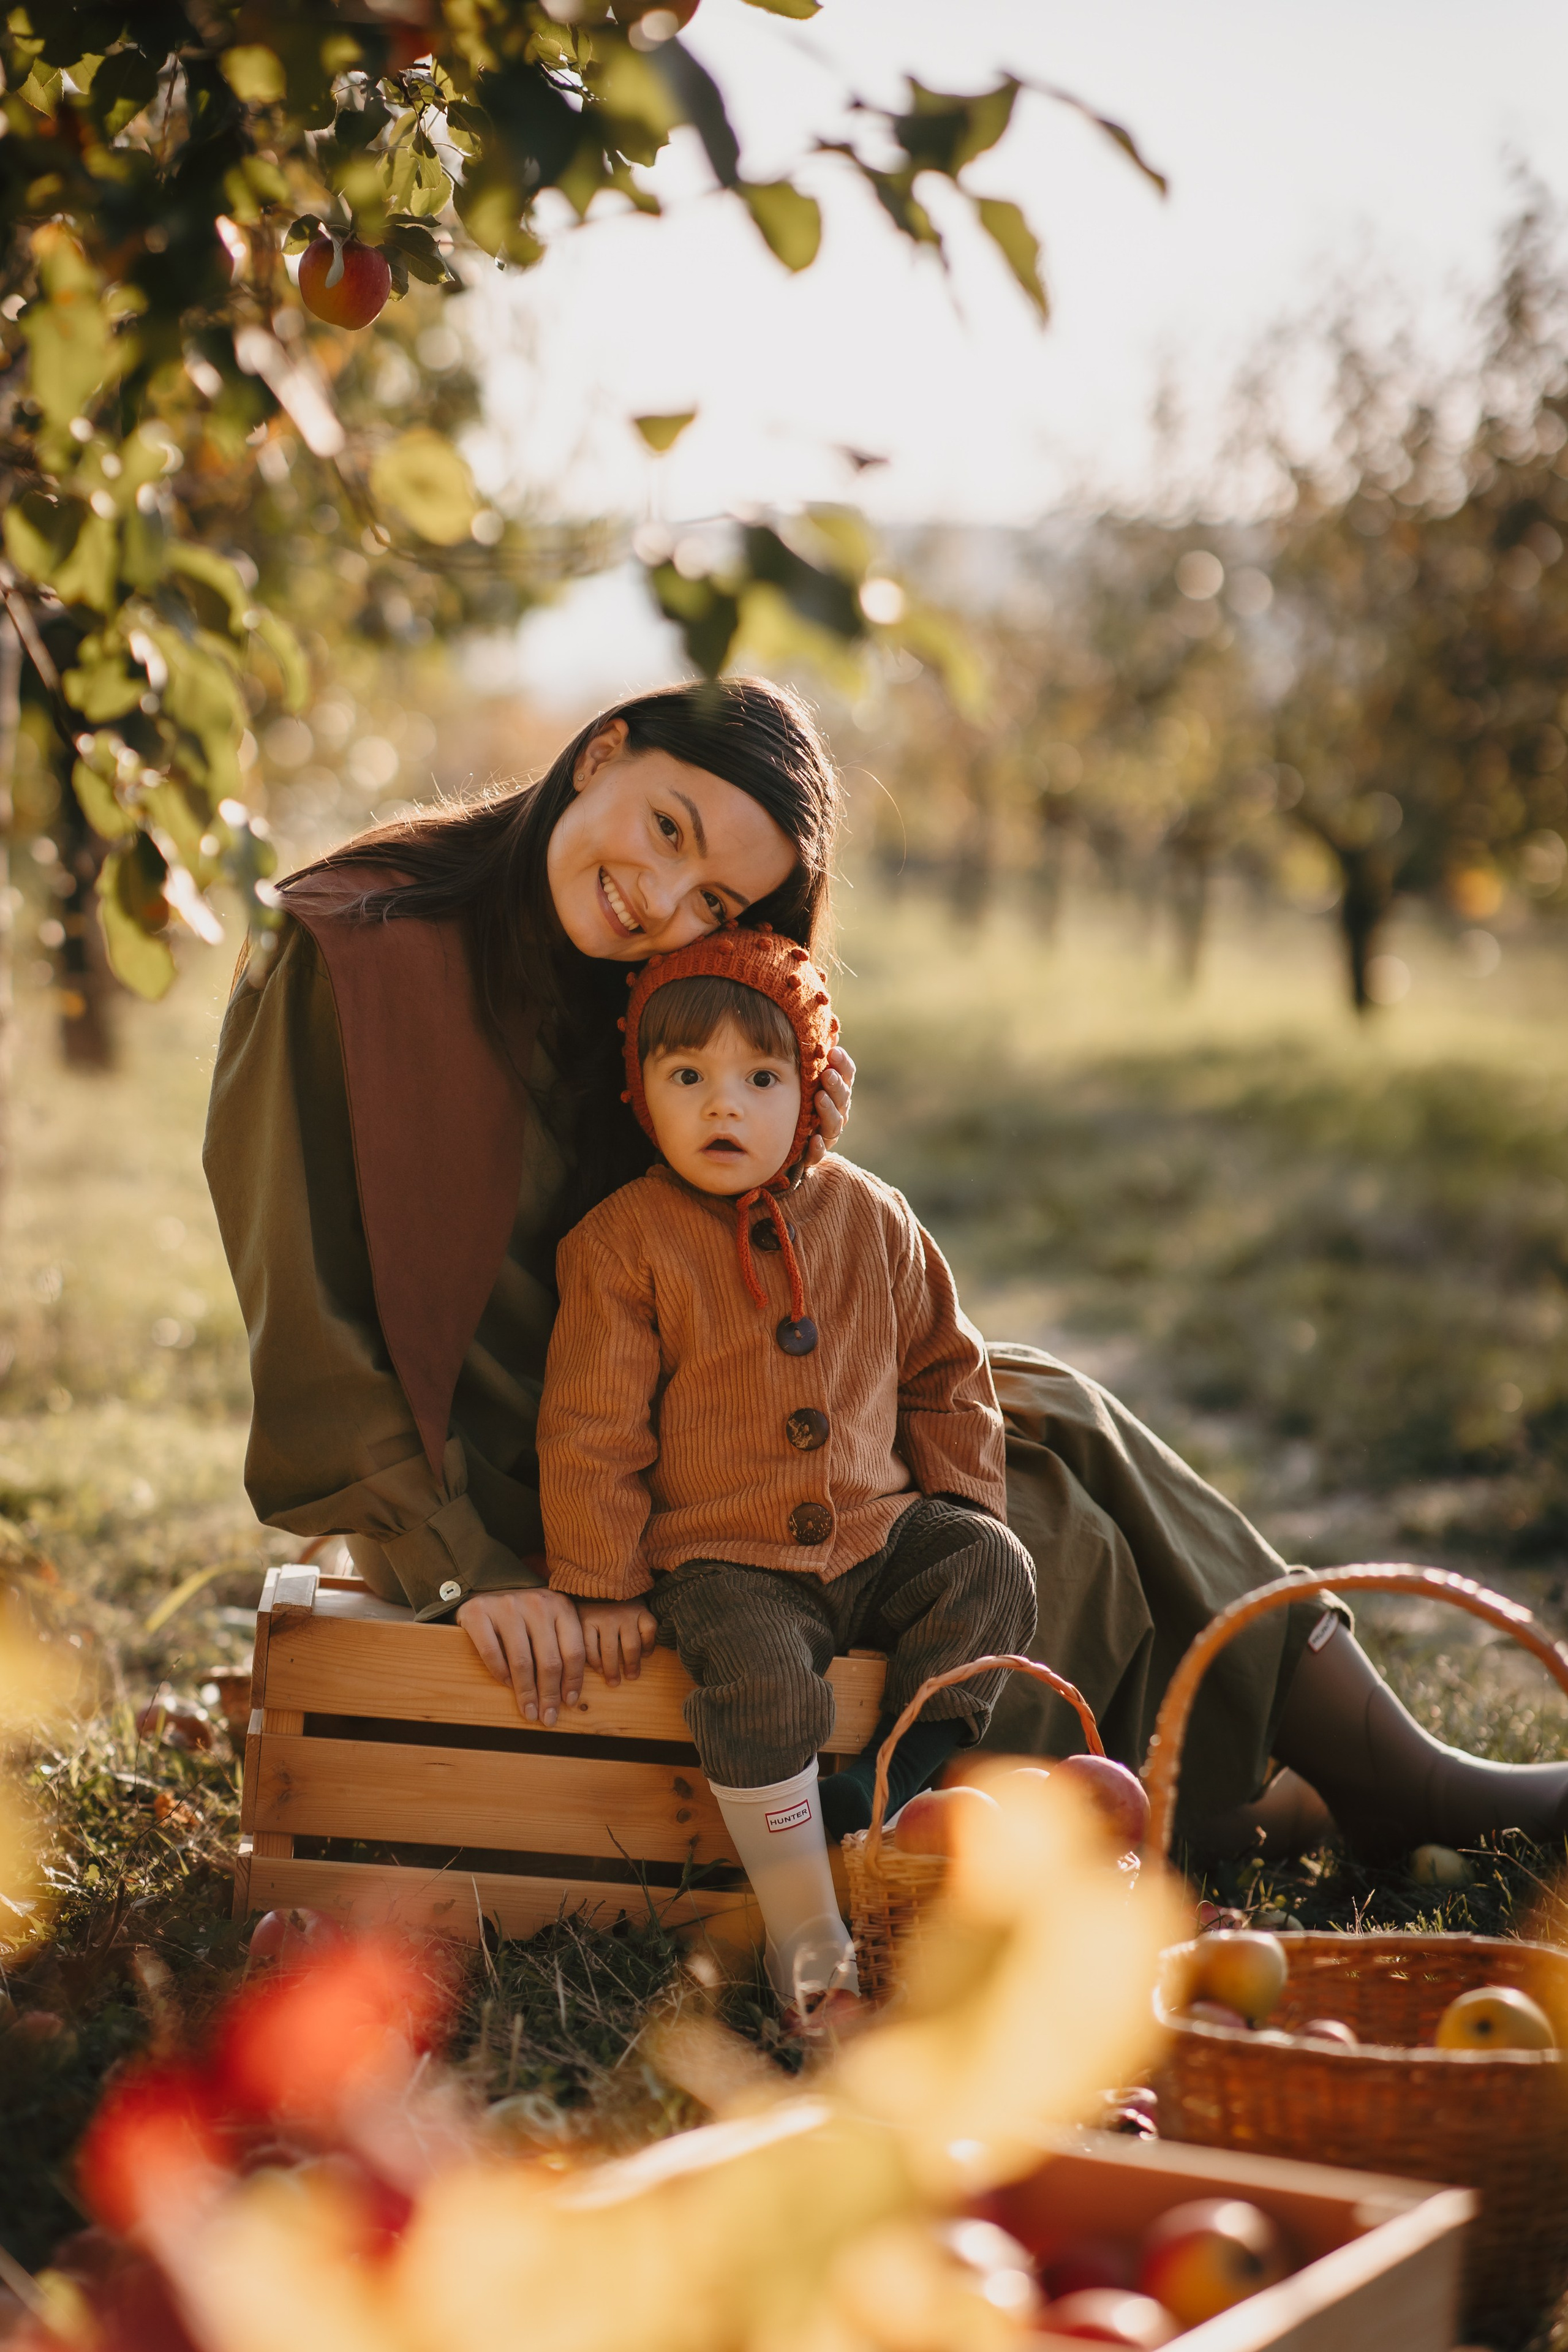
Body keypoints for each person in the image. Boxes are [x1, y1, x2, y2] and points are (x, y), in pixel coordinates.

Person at [204, 677, 1568, 1865]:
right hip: (553, 1482)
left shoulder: (622, 982)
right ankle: (1331, 1791)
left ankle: (1353, 1778)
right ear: (602, 751)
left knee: (1040, 1410)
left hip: (686, 1405)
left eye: (717, 901)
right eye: (667, 829)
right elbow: (307, 1329)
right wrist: (466, 1569)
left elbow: (715, 1229)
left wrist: (793, 1147)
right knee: (1037, 1529)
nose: (661, 901)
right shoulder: (348, 955)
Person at [534, 927, 1036, 2008]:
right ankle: (806, 1930)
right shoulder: (624, 1242)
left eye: (761, 1078)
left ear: (811, 1088)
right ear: (642, 1093)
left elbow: (947, 1376)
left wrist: (955, 1509)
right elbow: (591, 1427)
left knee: (992, 1568)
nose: (726, 1107)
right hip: (725, 1555)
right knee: (761, 1682)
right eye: (689, 1077)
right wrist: (603, 1583)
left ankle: (888, 1806)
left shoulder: (873, 1217)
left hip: (875, 1532)